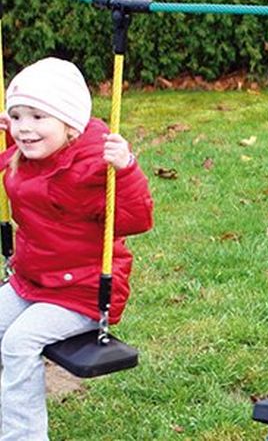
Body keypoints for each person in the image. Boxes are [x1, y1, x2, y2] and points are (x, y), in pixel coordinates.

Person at [0, 57, 153, 440]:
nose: (25, 128)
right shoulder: (27, 155)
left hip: (82, 291)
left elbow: (136, 220)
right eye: (17, 116)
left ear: (70, 124)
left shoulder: (93, 167)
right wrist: (6, 136)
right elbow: (13, 170)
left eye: (37, 117)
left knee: (20, 342)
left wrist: (127, 168)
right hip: (33, 280)